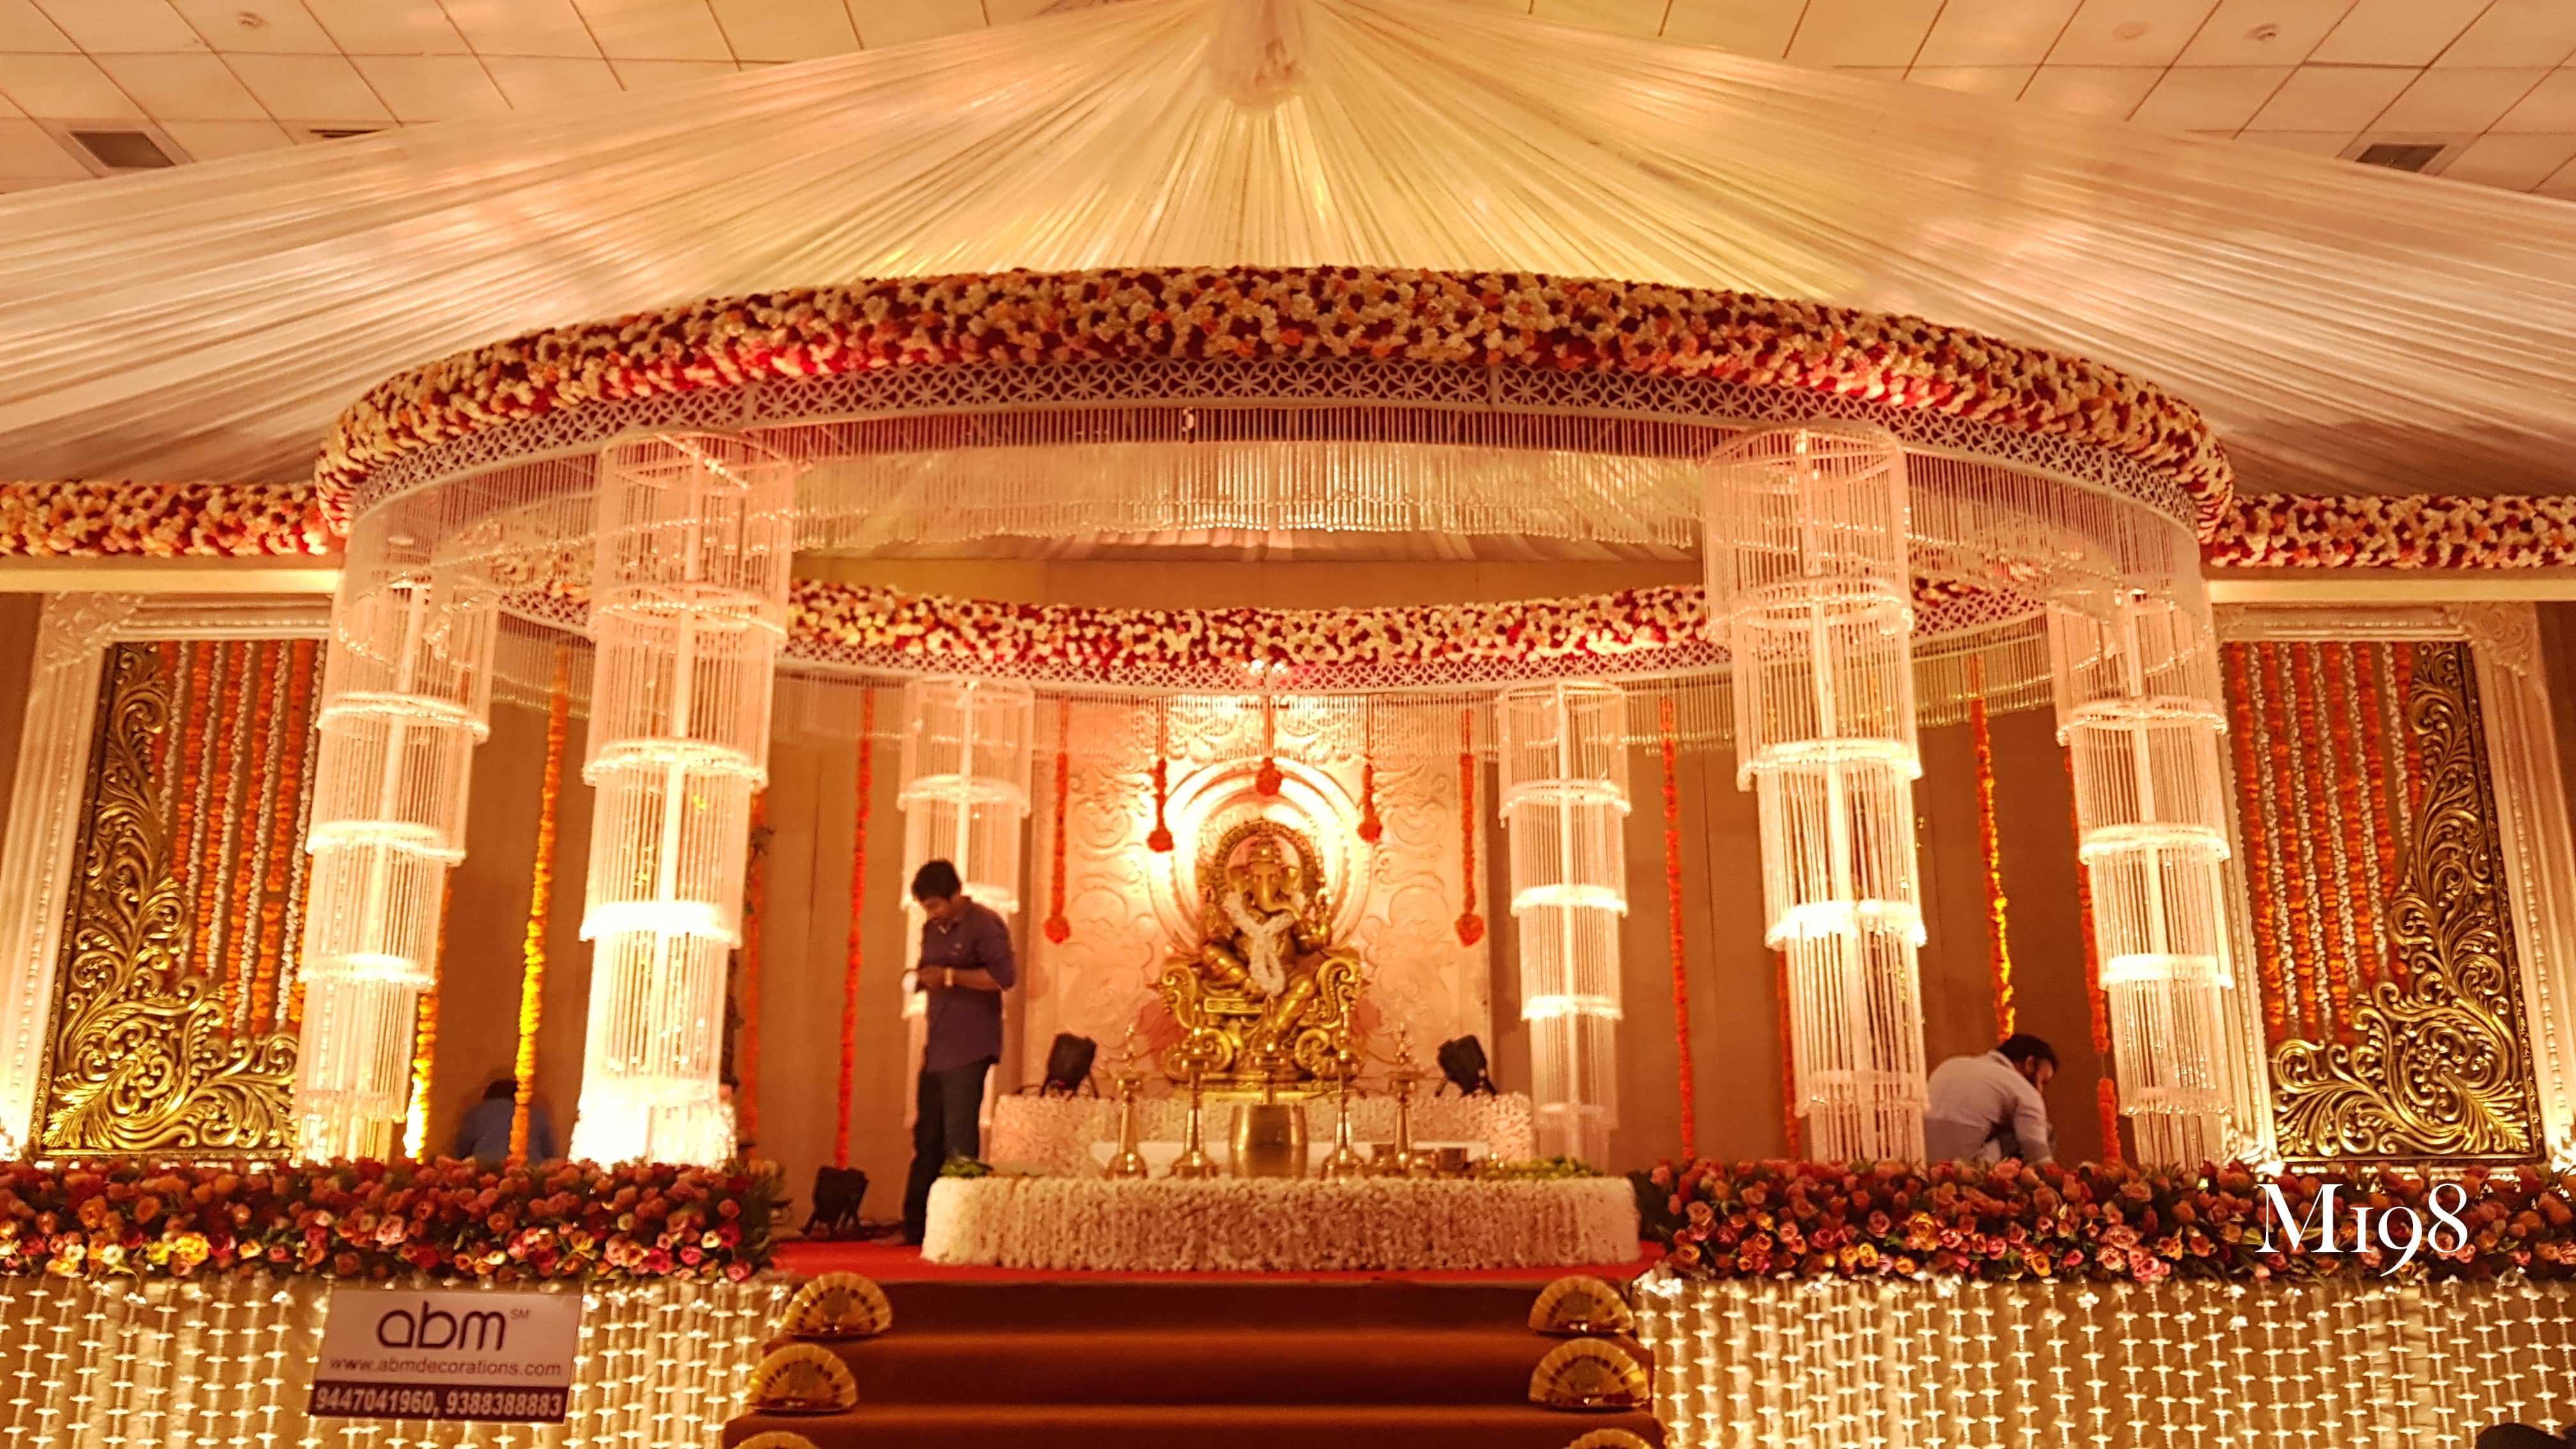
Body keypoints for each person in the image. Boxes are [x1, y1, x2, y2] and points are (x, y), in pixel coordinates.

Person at [901, 859, 1018, 1245]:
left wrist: (951, 976)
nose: (931, 914)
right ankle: (917, 1228)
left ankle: (961, 1230)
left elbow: (1005, 978)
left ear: (956, 894)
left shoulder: (985, 924)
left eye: (936, 905)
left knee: (959, 1142)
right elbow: (927, 972)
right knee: (927, 1137)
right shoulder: (931, 929)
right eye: (926, 907)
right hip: (937, 1045)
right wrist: (920, 979)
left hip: (970, 1047)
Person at [1923, 1033, 2056, 1164]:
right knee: (2044, 1130)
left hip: (1924, 1164)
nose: (2040, 1090)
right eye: (2043, 1081)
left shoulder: (1950, 1065)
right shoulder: (2023, 1088)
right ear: (2030, 1064)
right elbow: (2039, 1159)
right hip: (1964, 1169)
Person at [453, 1077, 555, 1163]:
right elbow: (550, 1155)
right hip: (528, 1169)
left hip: (486, 1168)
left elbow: (462, 1150)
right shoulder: (537, 1115)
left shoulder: (476, 1112)